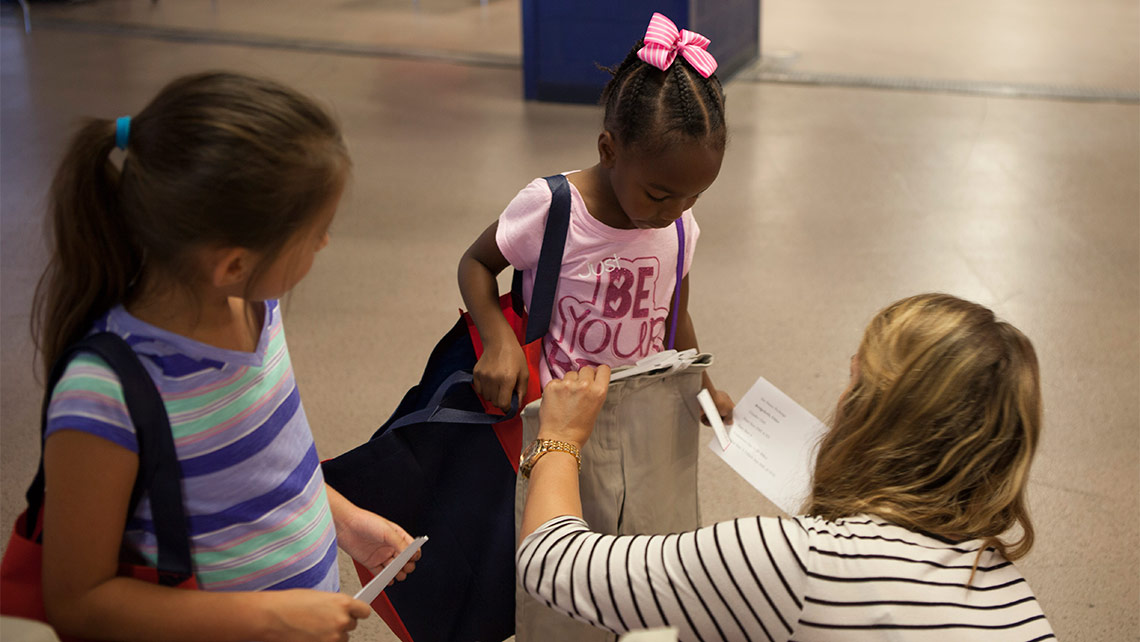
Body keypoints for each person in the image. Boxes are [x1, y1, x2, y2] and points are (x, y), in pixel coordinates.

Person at [32, 72, 417, 641]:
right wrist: (274, 616)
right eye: (315, 233)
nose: (324, 243)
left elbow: (264, 468)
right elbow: (78, 603)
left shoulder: (255, 308)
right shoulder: (106, 394)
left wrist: (343, 521)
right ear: (234, 264)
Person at [518, 293, 1056, 641]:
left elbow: (552, 563)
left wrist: (560, 438)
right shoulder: (1015, 601)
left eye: (855, 377)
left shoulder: (797, 561)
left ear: (874, 411)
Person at [457, 12, 734, 421]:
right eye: (658, 195)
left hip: (640, 419)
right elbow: (476, 263)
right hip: (557, 420)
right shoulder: (554, 208)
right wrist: (498, 340)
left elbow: (675, 319)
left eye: (695, 196)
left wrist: (704, 391)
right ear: (608, 150)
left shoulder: (679, 226)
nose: (675, 212)